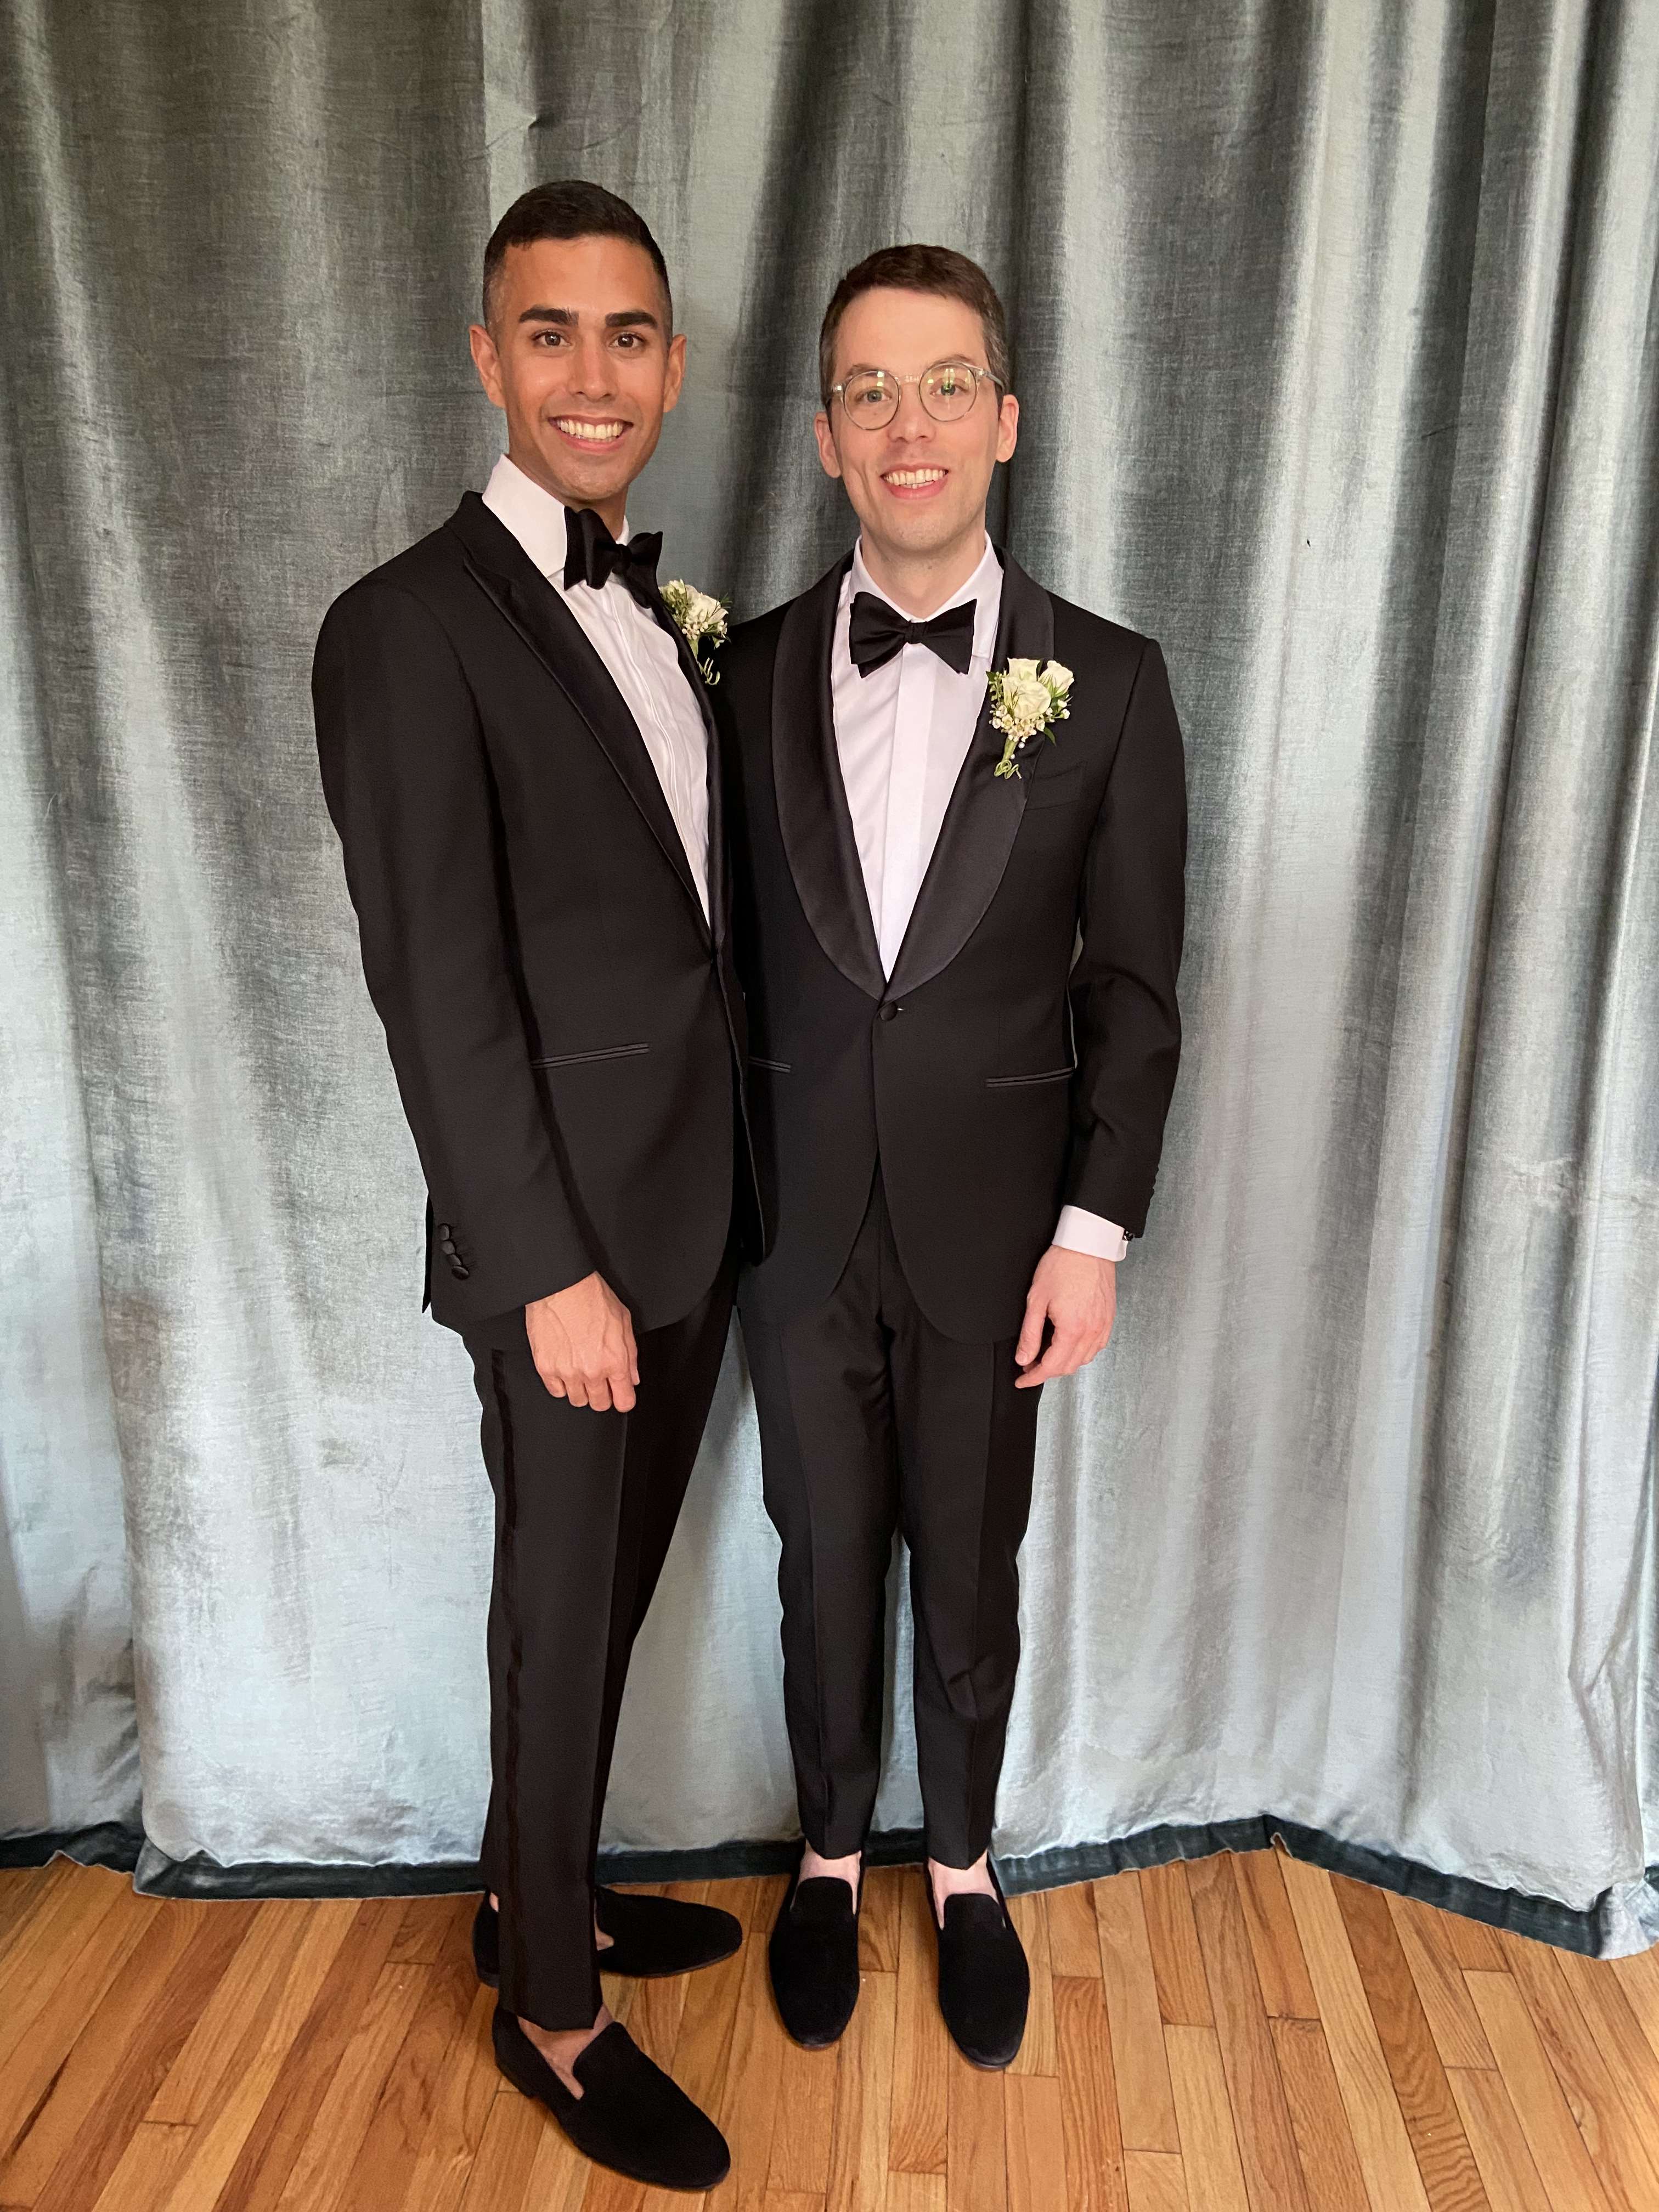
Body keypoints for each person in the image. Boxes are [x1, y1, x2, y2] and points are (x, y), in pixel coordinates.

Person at [312, 179, 757, 2192]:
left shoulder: (660, 614)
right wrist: (545, 1266)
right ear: (487, 358)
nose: (595, 374)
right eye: (552, 333)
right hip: (565, 1249)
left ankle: (530, 1898)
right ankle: (555, 2017)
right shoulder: (406, 627)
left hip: (696, 1213)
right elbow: (440, 989)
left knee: (608, 1599)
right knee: (559, 1615)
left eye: (629, 335)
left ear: (673, 363)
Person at [716, 244, 1187, 2068]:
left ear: (1004, 419)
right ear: (827, 435)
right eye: (868, 390)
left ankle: (967, 1864)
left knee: (971, 1568)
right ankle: (831, 1854)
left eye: (943, 386)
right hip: (794, 1223)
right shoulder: (747, 671)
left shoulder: (1111, 683)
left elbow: (1134, 989)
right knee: (821, 1557)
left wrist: (1095, 1230)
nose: (906, 425)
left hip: (1004, 1237)